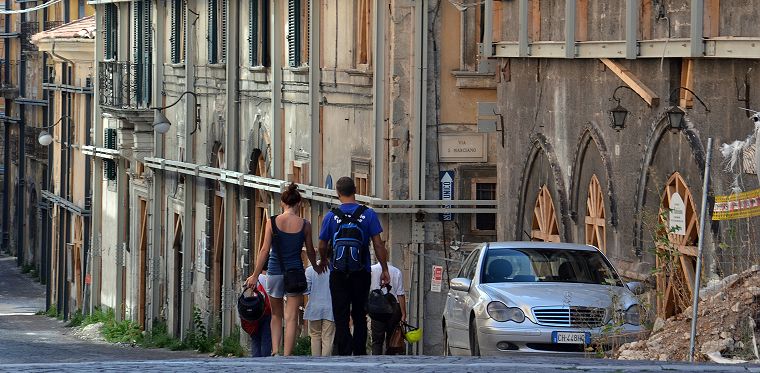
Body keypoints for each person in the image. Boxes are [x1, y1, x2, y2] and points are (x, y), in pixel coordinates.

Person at [318, 177, 390, 356]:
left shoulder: (331, 216)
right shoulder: (369, 214)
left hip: (338, 272)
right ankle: (359, 352)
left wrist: (324, 259)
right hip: (361, 271)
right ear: (355, 190)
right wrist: (384, 269)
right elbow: (378, 244)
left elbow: (322, 244)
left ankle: (343, 351)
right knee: (360, 314)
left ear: (337, 192)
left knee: (341, 315)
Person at [246, 183, 320, 356]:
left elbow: (264, 250)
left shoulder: (271, 222)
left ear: (282, 203)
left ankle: (275, 350)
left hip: (273, 272)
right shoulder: (305, 225)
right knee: (292, 316)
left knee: (276, 315)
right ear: (299, 203)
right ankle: (287, 354)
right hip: (295, 273)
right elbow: (310, 250)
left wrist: (255, 275)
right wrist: (316, 266)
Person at [370, 262, 406, 355]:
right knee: (391, 339)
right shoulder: (397, 271)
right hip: (393, 308)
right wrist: (403, 313)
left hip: (377, 308)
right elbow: (400, 294)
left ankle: (376, 362)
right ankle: (390, 362)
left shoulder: (371, 270)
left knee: (377, 340)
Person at [304, 260, 335, 356]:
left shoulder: (309, 270)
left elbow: (306, 290)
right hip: (330, 308)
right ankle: (326, 363)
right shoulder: (334, 270)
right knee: (328, 337)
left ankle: (315, 362)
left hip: (314, 308)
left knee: (315, 336)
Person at [242, 269, 272, 357]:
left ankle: (255, 360)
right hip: (267, 311)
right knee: (266, 338)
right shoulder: (272, 278)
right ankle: (265, 360)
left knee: (255, 339)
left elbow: (245, 294)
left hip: (253, 313)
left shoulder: (252, 279)